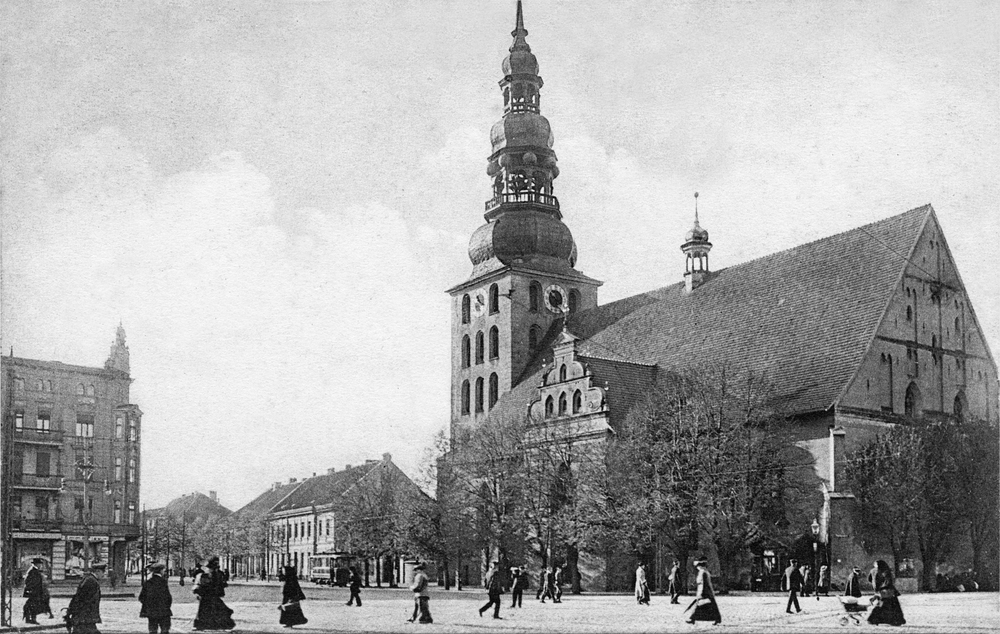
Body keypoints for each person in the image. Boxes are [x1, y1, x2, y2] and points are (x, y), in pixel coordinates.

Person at [193, 556, 235, 631]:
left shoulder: (217, 574)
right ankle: (201, 625)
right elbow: (199, 584)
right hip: (206, 595)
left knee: (217, 610)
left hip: (213, 595)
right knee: (205, 610)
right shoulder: (204, 574)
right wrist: (198, 591)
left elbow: (220, 584)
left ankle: (219, 625)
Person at [867, 560, 905, 626]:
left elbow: (869, 579)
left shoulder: (872, 570)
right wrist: (884, 587)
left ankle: (873, 619)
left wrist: (876, 585)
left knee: (881, 605)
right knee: (892, 606)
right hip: (887, 591)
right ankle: (895, 621)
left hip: (879, 590)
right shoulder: (886, 571)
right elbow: (888, 581)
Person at [66, 567, 102, 634]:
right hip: (85, 617)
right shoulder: (91, 581)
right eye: (103, 572)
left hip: (85, 617)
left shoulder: (89, 579)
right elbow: (81, 598)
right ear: (98, 571)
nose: (103, 575)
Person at [139, 563, 173, 634]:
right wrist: (167, 606)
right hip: (163, 610)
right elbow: (168, 597)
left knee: (152, 630)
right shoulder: (163, 582)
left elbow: (141, 597)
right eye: (163, 570)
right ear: (160, 571)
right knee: (165, 629)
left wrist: (148, 605)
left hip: (151, 611)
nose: (164, 572)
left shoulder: (147, 582)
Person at [685, 558, 721, 625]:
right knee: (712, 606)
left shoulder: (702, 572)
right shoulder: (705, 572)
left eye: (698, 566)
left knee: (699, 606)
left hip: (705, 592)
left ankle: (692, 619)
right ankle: (717, 619)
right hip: (708, 592)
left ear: (700, 566)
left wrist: (701, 593)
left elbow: (703, 583)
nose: (697, 568)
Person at [22, 557, 46, 624]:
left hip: (35, 591)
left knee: (31, 605)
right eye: (39, 564)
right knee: (33, 605)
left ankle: (28, 619)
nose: (40, 565)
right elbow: (28, 581)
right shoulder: (32, 571)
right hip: (34, 591)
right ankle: (32, 619)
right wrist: (30, 589)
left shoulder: (34, 570)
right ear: (36, 564)